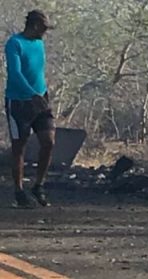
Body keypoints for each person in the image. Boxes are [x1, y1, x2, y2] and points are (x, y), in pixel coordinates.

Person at [4, 10, 56, 207]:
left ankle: (38, 185)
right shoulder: (14, 43)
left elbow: (37, 70)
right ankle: (19, 191)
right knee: (20, 147)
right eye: (43, 29)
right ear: (34, 26)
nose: (44, 33)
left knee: (48, 141)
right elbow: (15, 73)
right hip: (19, 102)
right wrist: (31, 93)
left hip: (40, 100)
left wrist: (42, 91)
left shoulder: (39, 44)